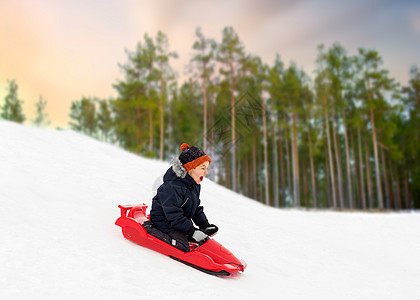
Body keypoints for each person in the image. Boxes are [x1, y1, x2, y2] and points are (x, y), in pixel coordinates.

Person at [144, 143, 218, 252]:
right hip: (164, 222)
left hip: (179, 222)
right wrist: (192, 231)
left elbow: (196, 208)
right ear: (190, 168)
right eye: (203, 168)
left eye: (206, 168)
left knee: (203, 240)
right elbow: (174, 215)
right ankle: (152, 231)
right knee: (182, 245)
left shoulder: (194, 185)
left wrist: (204, 225)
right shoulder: (172, 187)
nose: (206, 172)